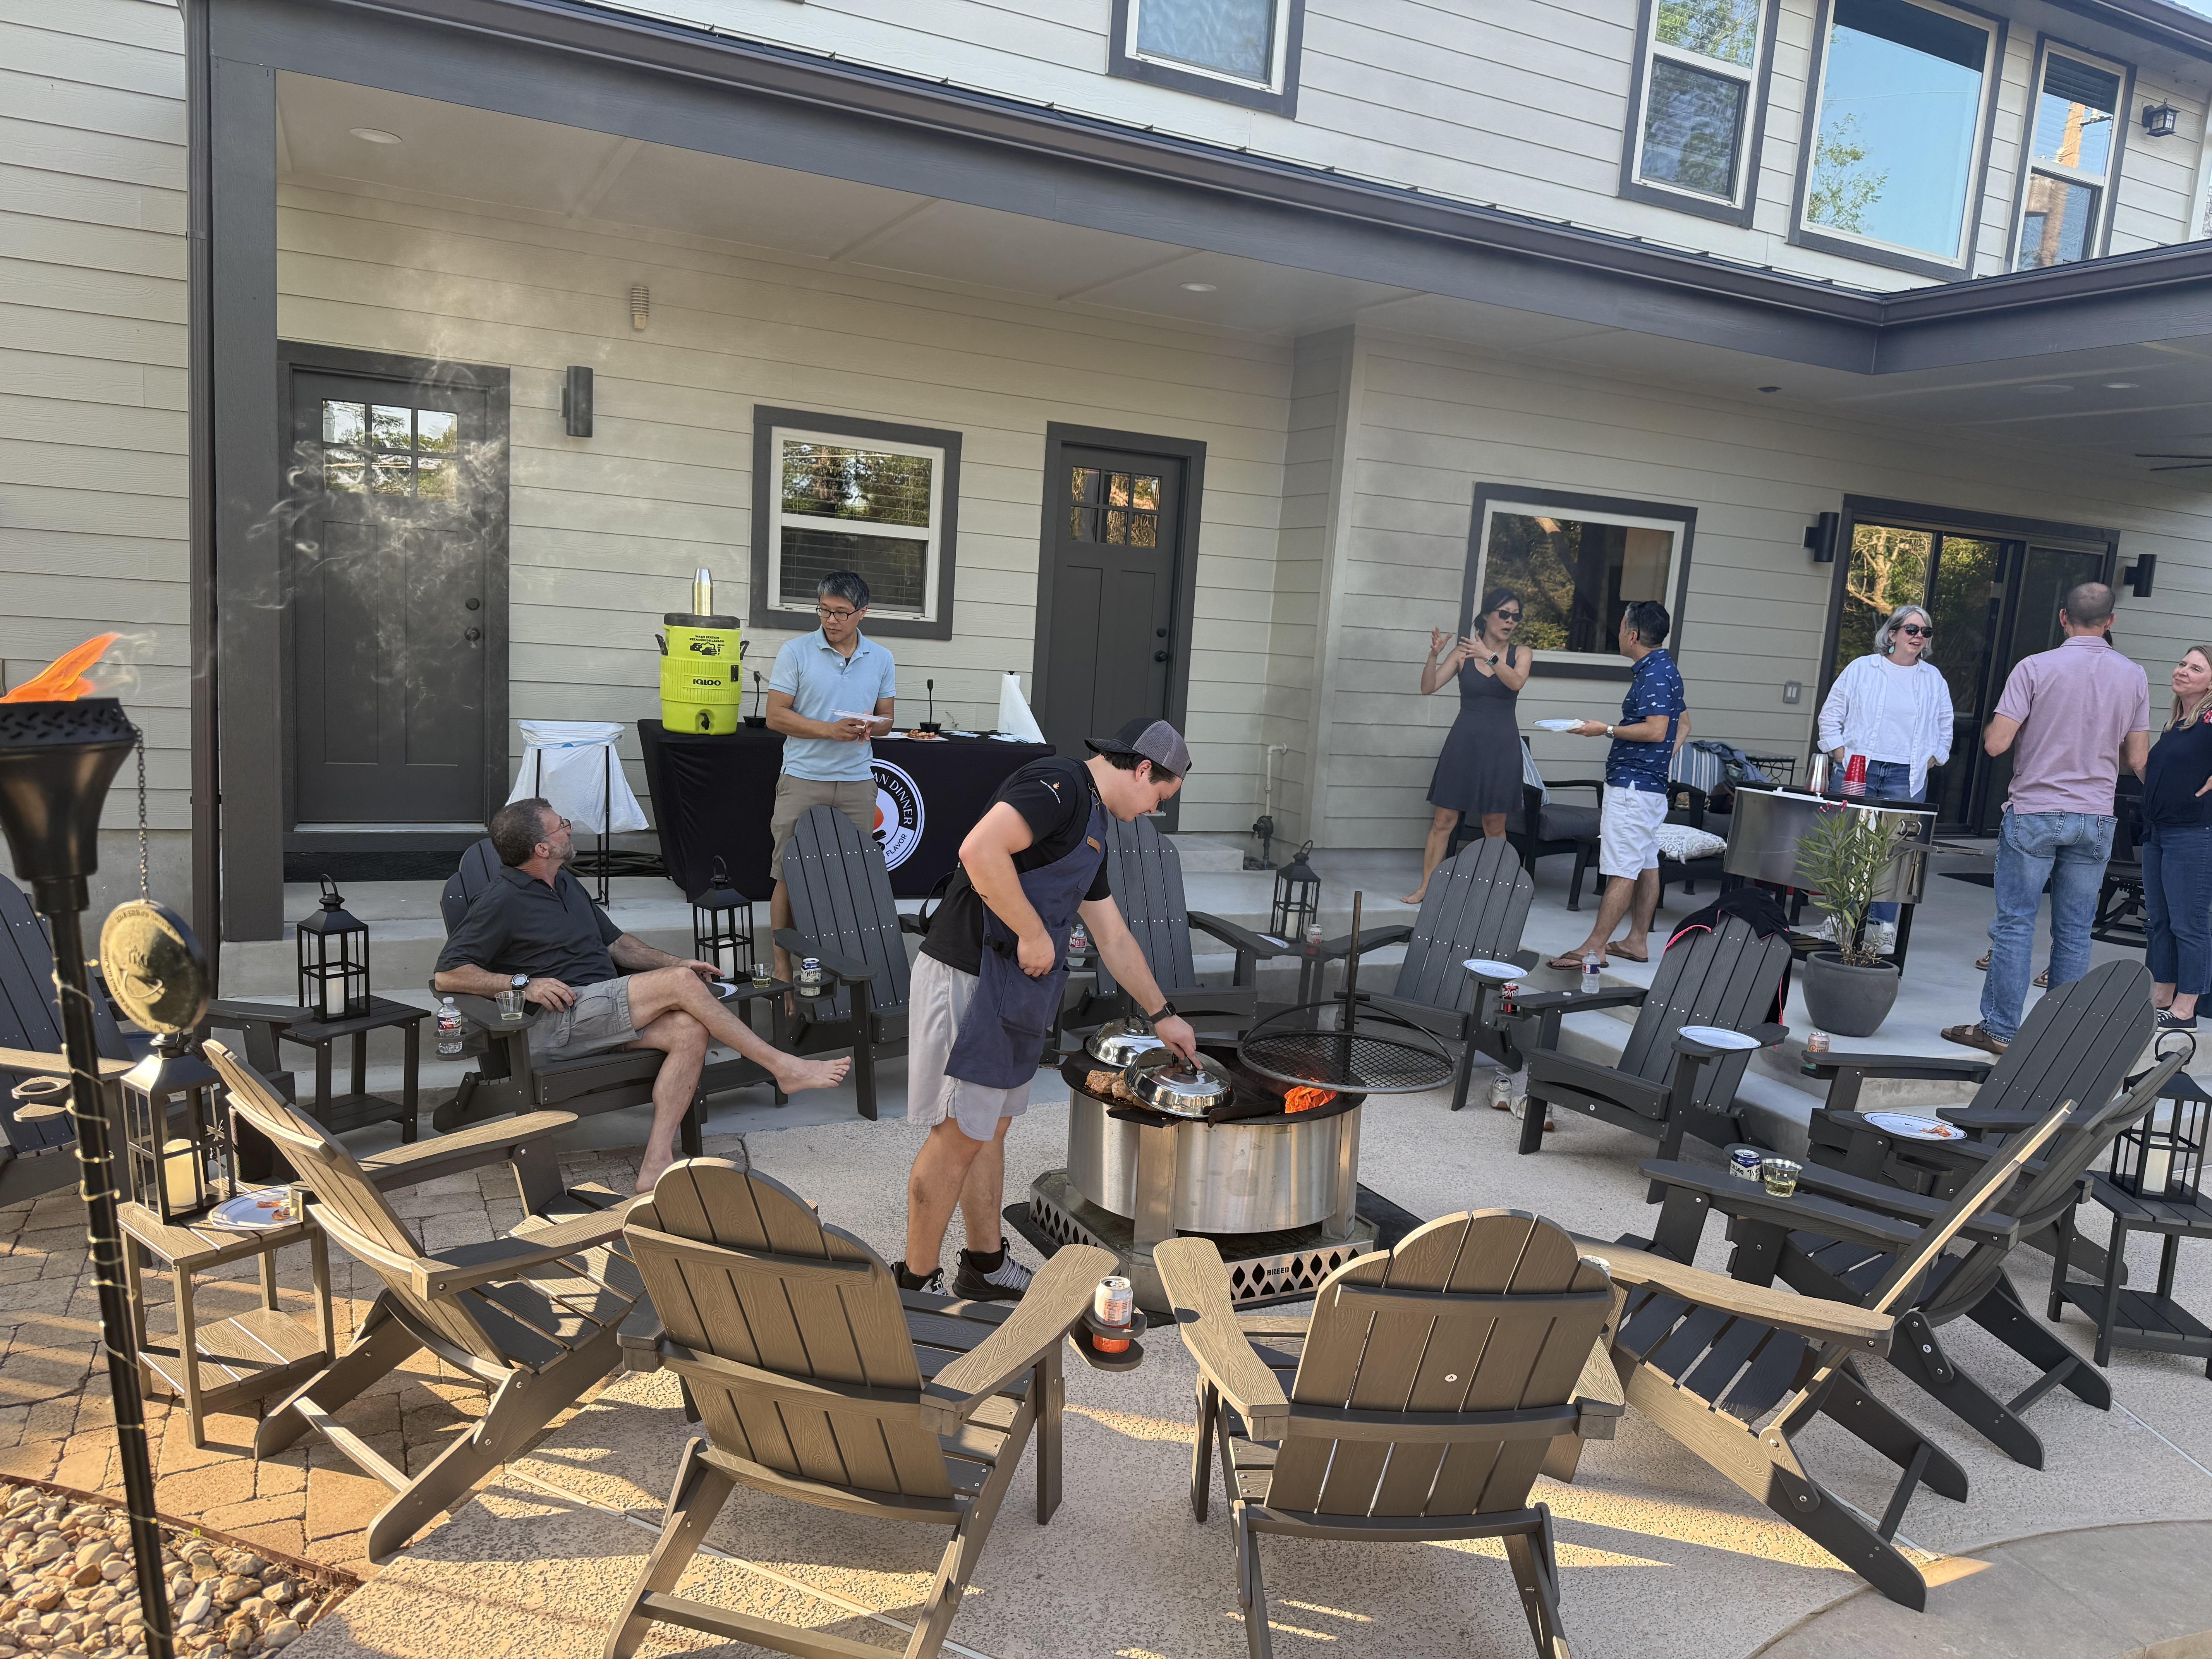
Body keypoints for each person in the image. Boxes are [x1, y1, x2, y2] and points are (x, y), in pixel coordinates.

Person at [896, 718, 1202, 1302]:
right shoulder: (1058, 785)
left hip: (1014, 989)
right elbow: (979, 849)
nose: (1154, 811)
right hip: (971, 975)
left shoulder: (1094, 827)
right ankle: (914, 1288)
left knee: (989, 1130)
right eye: (1161, 797)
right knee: (958, 1134)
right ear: (1143, 769)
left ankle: (984, 1266)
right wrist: (1034, 933)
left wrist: (1163, 1014)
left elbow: (1112, 936)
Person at [434, 799, 850, 1192]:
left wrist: (676, 962)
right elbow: (448, 975)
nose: (569, 828)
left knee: (689, 1029)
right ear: (542, 848)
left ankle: (656, 1163)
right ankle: (782, 1067)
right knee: (680, 985)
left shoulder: (565, 884)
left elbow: (619, 946)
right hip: (554, 1025)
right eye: (561, 825)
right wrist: (524, 984)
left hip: (601, 1014)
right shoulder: (501, 900)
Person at [1943, 582, 2149, 1057]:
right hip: (2095, 815)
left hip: (2036, 810)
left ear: (2063, 618)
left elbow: (1996, 743)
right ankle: (2059, 1038)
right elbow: (2138, 758)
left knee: (2016, 924)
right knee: (2075, 930)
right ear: (2111, 622)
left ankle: (2000, 1031)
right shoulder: (2133, 675)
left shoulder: (2034, 667)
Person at [765, 572, 895, 987]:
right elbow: (775, 716)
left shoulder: (882, 658)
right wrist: (829, 730)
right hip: (803, 778)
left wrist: (871, 726)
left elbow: (888, 720)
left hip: (857, 782)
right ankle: (783, 968)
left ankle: (848, 968)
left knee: (855, 875)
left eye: (841, 612)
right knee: (789, 873)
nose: (831, 620)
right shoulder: (796, 651)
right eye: (824, 610)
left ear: (863, 613)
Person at [1549, 600, 1688, 969]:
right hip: (1649, 785)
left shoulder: (1655, 674)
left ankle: (1594, 948)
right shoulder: (1665, 669)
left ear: (1633, 635)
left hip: (1633, 788)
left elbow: (1657, 730)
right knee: (1646, 864)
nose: (1620, 632)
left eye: (1623, 625)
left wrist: (1606, 730)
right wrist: (1659, 763)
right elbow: (1683, 725)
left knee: (1623, 868)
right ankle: (1637, 941)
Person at [1815, 603, 1952, 948]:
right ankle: (1839, 919)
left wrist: (1931, 760)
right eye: (1911, 630)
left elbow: (1944, 727)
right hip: (1859, 769)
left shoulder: (1933, 679)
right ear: (1892, 634)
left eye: (1925, 632)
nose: (1919, 637)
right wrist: (1841, 754)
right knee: (1847, 844)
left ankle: (1882, 928)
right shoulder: (1863, 668)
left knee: (1896, 852)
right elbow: (1831, 715)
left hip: (1906, 776)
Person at [1404, 589, 1531, 905]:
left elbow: (1516, 682)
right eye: (1505, 614)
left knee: (1494, 824)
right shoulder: (1462, 654)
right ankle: (1427, 888)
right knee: (1444, 820)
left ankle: (1495, 891)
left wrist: (1487, 655)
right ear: (1487, 615)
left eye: (1516, 616)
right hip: (1464, 743)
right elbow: (1428, 687)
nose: (1511, 621)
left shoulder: (1522, 653)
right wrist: (1434, 656)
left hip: (1501, 746)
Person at [2141, 646, 2212, 1032]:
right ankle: (2162, 996)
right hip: (2159, 832)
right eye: (2183, 663)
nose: (2183, 671)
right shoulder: (2178, 723)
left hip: (2193, 833)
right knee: (2160, 921)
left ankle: (2187, 1009)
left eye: (2196, 668)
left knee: (2189, 923)